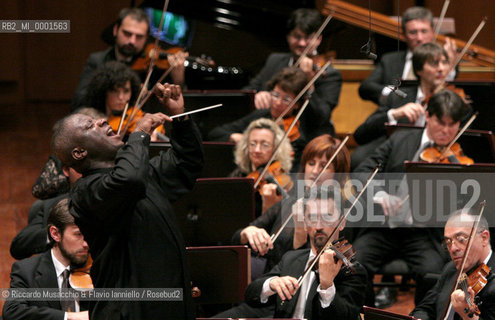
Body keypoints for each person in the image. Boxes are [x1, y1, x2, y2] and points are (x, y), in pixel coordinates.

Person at [52, 83, 203, 319]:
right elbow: (129, 179)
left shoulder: (142, 173)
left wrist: (179, 116)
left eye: (100, 120)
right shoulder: (85, 193)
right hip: (130, 310)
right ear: (79, 153)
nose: (102, 122)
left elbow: (188, 163)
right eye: (90, 125)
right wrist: (140, 134)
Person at [353, 89, 471, 307]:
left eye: (452, 124)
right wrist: (380, 194)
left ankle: (421, 315)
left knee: (435, 274)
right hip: (383, 228)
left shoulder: (458, 156)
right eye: (440, 123)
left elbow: (464, 204)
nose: (446, 131)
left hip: (423, 233)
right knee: (354, 264)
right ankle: (364, 314)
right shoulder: (400, 139)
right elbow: (361, 171)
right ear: (427, 115)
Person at [215, 134, 351, 318]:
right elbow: (237, 237)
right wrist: (250, 231)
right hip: (267, 296)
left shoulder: (338, 215)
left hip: (299, 306)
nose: (315, 171)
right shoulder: (289, 202)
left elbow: (310, 263)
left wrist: (301, 234)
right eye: (311, 163)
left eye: (324, 165)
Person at [243, 186, 367, 319]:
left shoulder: (351, 269)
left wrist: (327, 287)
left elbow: (346, 316)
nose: (318, 225)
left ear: (341, 222)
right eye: (312, 218)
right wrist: (271, 283)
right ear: (306, 222)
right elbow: (250, 296)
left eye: (327, 217)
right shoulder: (291, 258)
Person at [352, 42, 451, 169]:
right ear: (419, 69)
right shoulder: (398, 96)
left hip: (436, 156)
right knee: (359, 160)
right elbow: (360, 135)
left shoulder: (452, 100)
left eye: (445, 62)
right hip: (399, 153)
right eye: (434, 63)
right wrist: (394, 114)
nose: (441, 68)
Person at [210, 67, 331, 169]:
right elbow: (215, 134)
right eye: (275, 95)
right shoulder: (261, 116)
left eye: (286, 99)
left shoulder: (302, 128)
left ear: (297, 104)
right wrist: (237, 137)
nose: (278, 103)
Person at [244, 8, 342, 134]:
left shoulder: (330, 75)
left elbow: (321, 117)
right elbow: (248, 92)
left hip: (309, 138)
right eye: (297, 36)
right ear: (288, 37)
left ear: (319, 39)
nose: (302, 43)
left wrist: (309, 82)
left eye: (308, 37)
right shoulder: (274, 61)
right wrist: (257, 95)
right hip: (271, 132)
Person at [71, 8, 186, 110]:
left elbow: (173, 106)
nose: (132, 41)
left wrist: (178, 80)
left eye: (139, 36)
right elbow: (78, 103)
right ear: (116, 30)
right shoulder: (98, 60)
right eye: (127, 34)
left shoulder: (153, 66)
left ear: (146, 38)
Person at [3, 198, 90, 320]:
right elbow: (12, 311)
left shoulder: (100, 266)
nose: (86, 243)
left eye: (89, 234)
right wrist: (69, 317)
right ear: (55, 234)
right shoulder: (27, 270)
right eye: (78, 234)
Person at [358, 6, 457, 105]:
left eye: (424, 31)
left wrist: (449, 66)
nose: (419, 38)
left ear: (432, 32)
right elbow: (366, 87)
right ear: (403, 35)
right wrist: (393, 95)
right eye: (413, 32)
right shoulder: (390, 60)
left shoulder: (445, 61)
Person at [412, 210, 495, 320]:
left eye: (461, 239)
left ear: (484, 238)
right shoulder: (451, 268)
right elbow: (425, 308)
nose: (453, 248)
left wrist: (468, 315)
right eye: (448, 242)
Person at [84, 61, 166, 140]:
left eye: (126, 91)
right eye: (114, 91)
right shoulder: (90, 118)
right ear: (104, 91)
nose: (121, 97)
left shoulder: (136, 114)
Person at [231, 118, 293, 216]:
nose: (257, 150)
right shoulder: (237, 175)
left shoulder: (280, 178)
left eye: (265, 145)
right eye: (252, 144)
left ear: (276, 148)